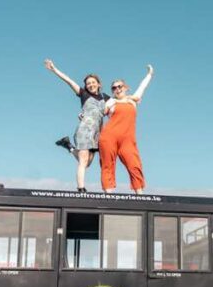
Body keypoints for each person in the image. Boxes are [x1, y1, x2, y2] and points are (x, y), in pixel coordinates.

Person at [44, 59, 109, 192]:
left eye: (93, 82)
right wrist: (54, 69)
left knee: (88, 163)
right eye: (88, 83)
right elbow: (68, 80)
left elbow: (117, 103)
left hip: (97, 134)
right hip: (84, 131)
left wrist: (132, 99)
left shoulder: (105, 97)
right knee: (83, 161)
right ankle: (81, 189)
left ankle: (68, 145)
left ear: (99, 84)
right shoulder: (83, 94)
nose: (90, 85)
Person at [99, 66, 154, 193]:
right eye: (114, 87)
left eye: (120, 86)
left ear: (126, 88)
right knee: (108, 165)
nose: (117, 89)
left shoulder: (133, 100)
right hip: (109, 137)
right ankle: (109, 194)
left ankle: (140, 195)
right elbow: (99, 114)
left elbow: (143, 87)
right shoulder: (111, 102)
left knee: (134, 164)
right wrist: (85, 116)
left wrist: (149, 74)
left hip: (127, 140)